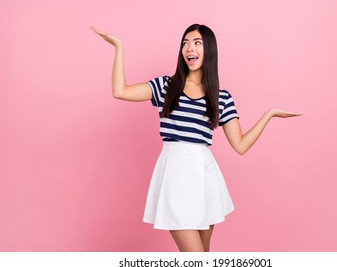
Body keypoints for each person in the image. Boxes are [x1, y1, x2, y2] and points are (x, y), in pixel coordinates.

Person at [91, 24, 302, 252]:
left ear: (209, 49)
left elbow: (240, 145)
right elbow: (120, 91)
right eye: (185, 43)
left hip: (204, 174)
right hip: (174, 172)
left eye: (197, 43)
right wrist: (118, 47)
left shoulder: (220, 97)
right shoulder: (166, 86)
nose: (189, 48)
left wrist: (268, 115)